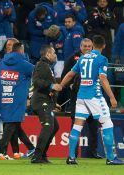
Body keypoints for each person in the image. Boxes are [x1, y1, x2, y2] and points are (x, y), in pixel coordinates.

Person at [61, 35, 124, 165]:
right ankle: (111, 158)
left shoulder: (83, 58)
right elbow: (102, 78)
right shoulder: (102, 59)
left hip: (81, 97)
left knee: (77, 125)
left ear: (93, 45)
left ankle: (71, 157)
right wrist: (112, 97)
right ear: (104, 46)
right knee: (107, 123)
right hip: (94, 96)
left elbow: (70, 74)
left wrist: (60, 85)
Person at [0, 42, 34, 160]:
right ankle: (1, 152)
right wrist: (31, 94)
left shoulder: (2, 63)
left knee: (14, 125)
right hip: (18, 99)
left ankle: (28, 149)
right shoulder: (24, 64)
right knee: (11, 125)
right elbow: (38, 73)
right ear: (21, 50)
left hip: (5, 98)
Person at [60, 38, 102, 159]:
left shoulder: (96, 59)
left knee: (94, 126)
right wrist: (70, 84)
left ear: (92, 47)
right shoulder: (73, 59)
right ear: (80, 47)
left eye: (89, 46)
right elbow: (66, 75)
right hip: (77, 97)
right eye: (85, 46)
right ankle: (74, 153)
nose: (87, 48)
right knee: (76, 125)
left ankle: (93, 153)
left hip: (93, 97)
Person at [31, 45, 61, 163]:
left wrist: (54, 104)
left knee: (55, 127)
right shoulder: (42, 65)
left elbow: (47, 89)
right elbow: (36, 82)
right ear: (48, 54)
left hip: (45, 101)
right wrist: (52, 86)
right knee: (48, 126)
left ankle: (42, 155)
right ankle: (37, 156)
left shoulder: (47, 66)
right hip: (40, 101)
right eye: (53, 53)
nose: (55, 55)